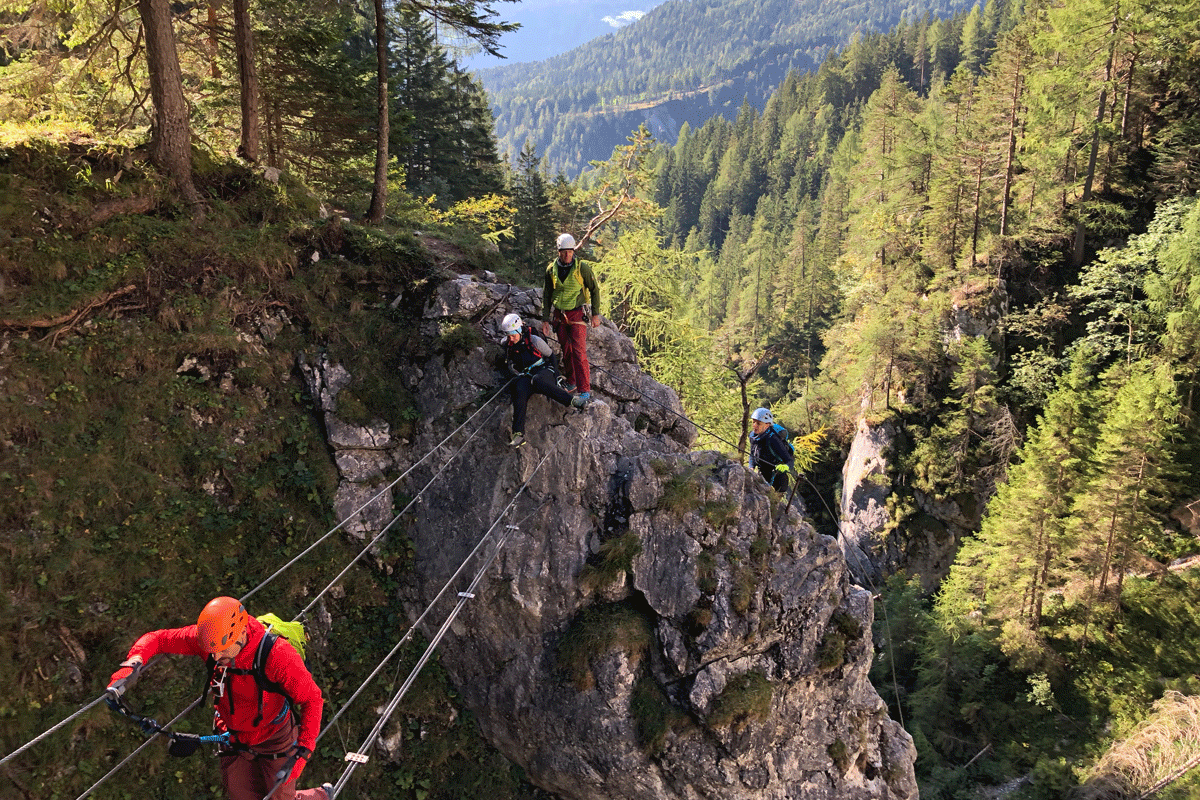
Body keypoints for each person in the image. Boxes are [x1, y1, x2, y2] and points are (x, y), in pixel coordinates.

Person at [107, 597, 331, 800]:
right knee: (242, 795)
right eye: (211, 651)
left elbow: (312, 699)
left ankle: (320, 796)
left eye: (222, 651)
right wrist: (133, 662)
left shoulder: (277, 655)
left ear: (242, 634)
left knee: (281, 797)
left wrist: (302, 752)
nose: (215, 657)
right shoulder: (214, 641)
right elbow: (159, 639)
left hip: (275, 735)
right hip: (232, 737)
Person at [502, 312, 587, 448]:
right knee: (519, 387)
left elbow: (551, 355)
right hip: (527, 374)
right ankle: (518, 434)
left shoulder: (534, 340)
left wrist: (557, 376)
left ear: (519, 330)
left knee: (538, 381)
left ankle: (572, 400)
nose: (511, 339)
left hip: (544, 370)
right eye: (509, 336)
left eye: (513, 335)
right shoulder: (507, 344)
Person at [542, 233, 603, 402]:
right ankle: (571, 381)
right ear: (558, 252)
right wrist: (545, 319)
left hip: (576, 314)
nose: (567, 255)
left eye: (570, 251)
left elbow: (594, 289)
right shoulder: (551, 269)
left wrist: (595, 314)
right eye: (564, 252)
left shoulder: (581, 268)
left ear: (573, 251)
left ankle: (584, 390)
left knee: (579, 352)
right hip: (559, 315)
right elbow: (547, 294)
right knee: (566, 350)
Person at [748, 407, 794, 493]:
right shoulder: (753, 436)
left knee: (772, 503)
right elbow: (752, 454)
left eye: (758, 423)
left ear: (767, 425)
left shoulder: (773, 439)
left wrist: (785, 466)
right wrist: (751, 468)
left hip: (777, 479)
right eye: (753, 422)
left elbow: (790, 461)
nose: (754, 425)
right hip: (762, 473)